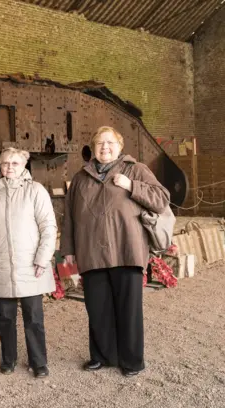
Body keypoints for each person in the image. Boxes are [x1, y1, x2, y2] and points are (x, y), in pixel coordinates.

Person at [60, 126, 170, 377]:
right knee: (97, 308)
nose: (105, 147)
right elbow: (70, 217)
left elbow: (161, 198)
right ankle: (102, 356)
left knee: (128, 309)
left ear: (120, 147)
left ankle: (131, 360)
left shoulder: (135, 169)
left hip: (126, 250)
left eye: (110, 143)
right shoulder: (80, 177)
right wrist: (68, 248)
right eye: (100, 143)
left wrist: (132, 185)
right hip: (91, 252)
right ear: (93, 147)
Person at [0, 147, 57, 377]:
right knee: (5, 317)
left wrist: (43, 257)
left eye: (15, 163)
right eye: (5, 163)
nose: (9, 167)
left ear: (24, 166)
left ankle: (38, 361)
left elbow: (48, 227)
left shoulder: (36, 191)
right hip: (1, 264)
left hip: (30, 265)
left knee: (34, 317)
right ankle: (8, 359)